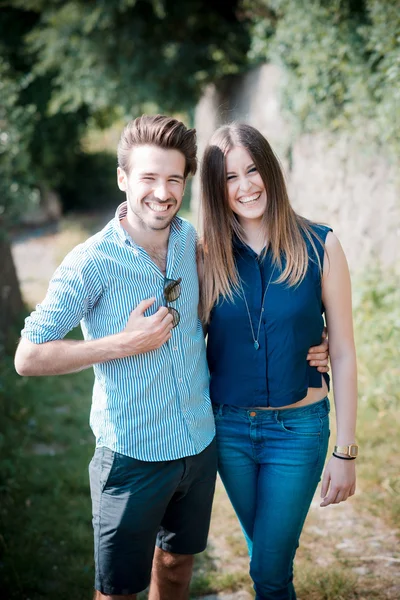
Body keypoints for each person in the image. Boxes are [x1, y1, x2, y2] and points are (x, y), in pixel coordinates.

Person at [14, 115, 329, 600]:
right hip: (132, 454)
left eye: (173, 180)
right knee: (118, 590)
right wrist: (123, 343)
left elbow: (229, 313)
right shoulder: (90, 262)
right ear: (123, 179)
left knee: (178, 568)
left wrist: (307, 337)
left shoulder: (190, 242)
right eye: (148, 178)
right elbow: (27, 357)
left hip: (200, 445)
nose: (162, 193)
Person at [199, 122, 357, 600]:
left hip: (299, 431)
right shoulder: (205, 256)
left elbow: (345, 351)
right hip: (228, 432)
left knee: (269, 572)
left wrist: (345, 450)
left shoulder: (321, 245)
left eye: (252, 170)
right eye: (230, 177)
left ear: (270, 169)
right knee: (266, 554)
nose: (245, 185)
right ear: (216, 189)